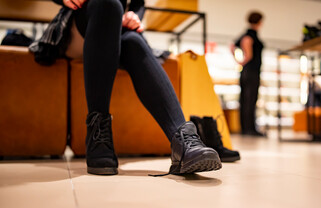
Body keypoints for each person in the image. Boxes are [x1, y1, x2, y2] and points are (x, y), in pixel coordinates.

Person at [46, 0, 222, 175]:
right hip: (79, 27)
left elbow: (138, 3)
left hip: (120, 32)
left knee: (133, 41)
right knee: (109, 4)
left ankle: (182, 141)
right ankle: (98, 132)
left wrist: (134, 16)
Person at [231, 11, 265, 136]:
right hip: (251, 72)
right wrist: (242, 61)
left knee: (245, 100)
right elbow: (248, 53)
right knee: (250, 100)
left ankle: (246, 128)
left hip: (246, 72)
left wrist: (239, 62)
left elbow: (232, 46)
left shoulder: (246, 34)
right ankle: (249, 129)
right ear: (259, 22)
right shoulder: (250, 35)